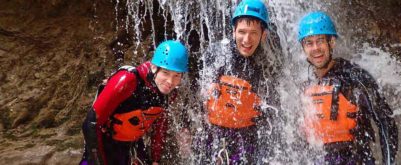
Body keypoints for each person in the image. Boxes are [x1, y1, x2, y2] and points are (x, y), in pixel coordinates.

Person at [297, 12, 398, 165]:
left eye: (320, 41)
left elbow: (386, 122)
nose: (315, 48)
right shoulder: (306, 85)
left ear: (332, 42)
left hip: (356, 159)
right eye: (309, 43)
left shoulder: (355, 78)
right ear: (303, 48)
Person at [79, 40, 189, 165]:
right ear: (154, 67)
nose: (170, 81)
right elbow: (90, 124)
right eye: (165, 73)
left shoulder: (169, 93)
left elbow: (160, 126)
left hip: (133, 144)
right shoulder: (128, 80)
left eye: (177, 75)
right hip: (105, 144)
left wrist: (155, 160)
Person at [197, 0, 276, 164]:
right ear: (233, 31)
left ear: (263, 35)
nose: (246, 40)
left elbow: (273, 111)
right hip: (213, 134)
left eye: (253, 33)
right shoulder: (218, 53)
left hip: (247, 136)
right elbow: (200, 91)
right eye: (242, 32)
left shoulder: (266, 64)